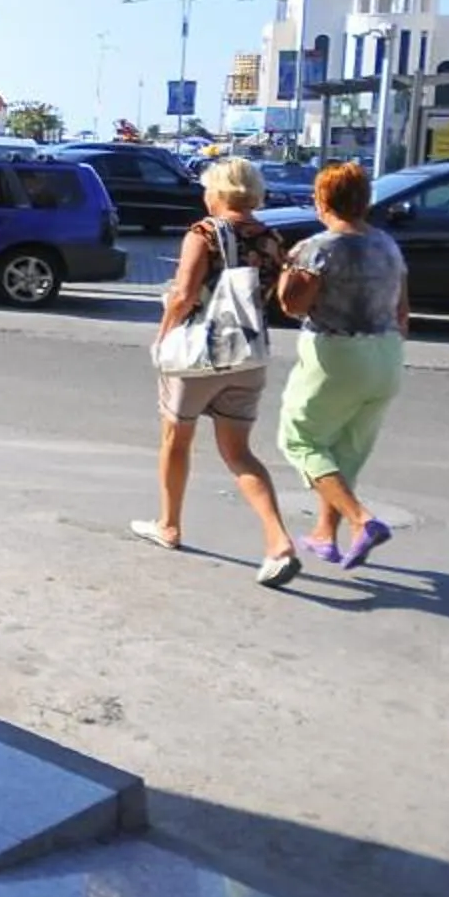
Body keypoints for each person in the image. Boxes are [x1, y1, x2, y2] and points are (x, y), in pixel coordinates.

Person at [132, 157, 302, 586]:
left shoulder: (203, 233)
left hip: (199, 355)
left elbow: (185, 294)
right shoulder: (273, 238)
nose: (204, 196)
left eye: (208, 188)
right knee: (239, 452)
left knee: (176, 438)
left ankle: (168, 525)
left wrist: (163, 334)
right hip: (248, 355)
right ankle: (278, 541)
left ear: (220, 192)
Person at [274, 160, 410, 566]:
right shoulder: (387, 244)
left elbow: (292, 305)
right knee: (346, 452)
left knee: (300, 440)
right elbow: (403, 310)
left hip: (337, 354)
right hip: (386, 354)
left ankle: (360, 520)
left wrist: (287, 267)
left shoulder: (319, 248)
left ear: (322, 200)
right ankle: (323, 534)